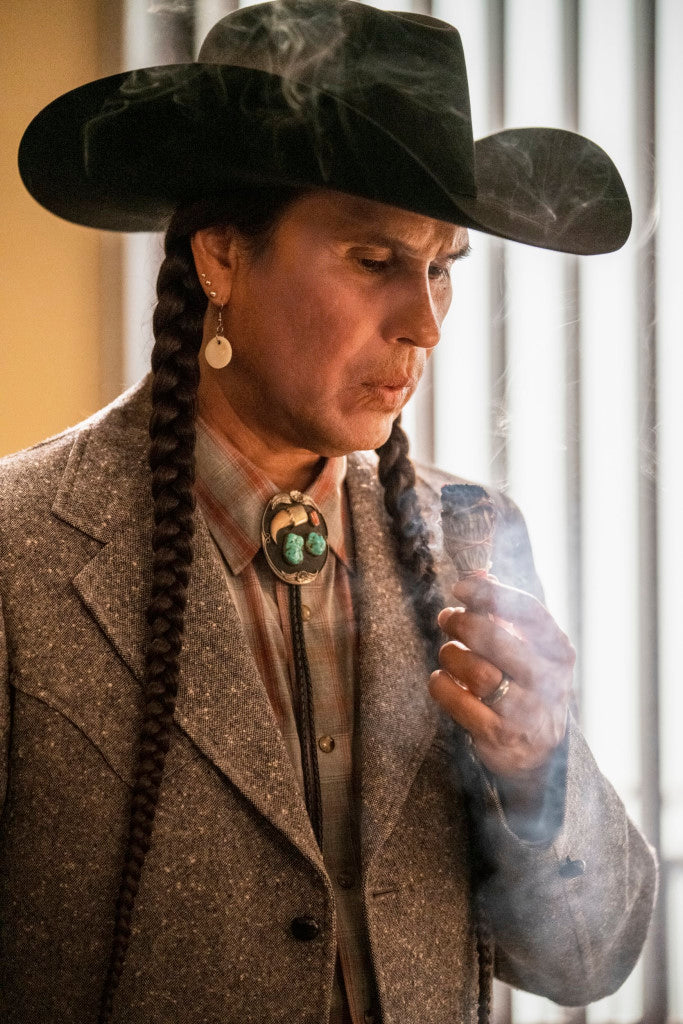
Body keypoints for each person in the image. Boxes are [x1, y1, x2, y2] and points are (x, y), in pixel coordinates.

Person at [1, 2, 656, 1023]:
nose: (425, 322)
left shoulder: (471, 534)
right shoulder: (19, 555)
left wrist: (541, 770)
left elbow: (586, 962)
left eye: (438, 267)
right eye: (374, 260)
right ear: (220, 258)